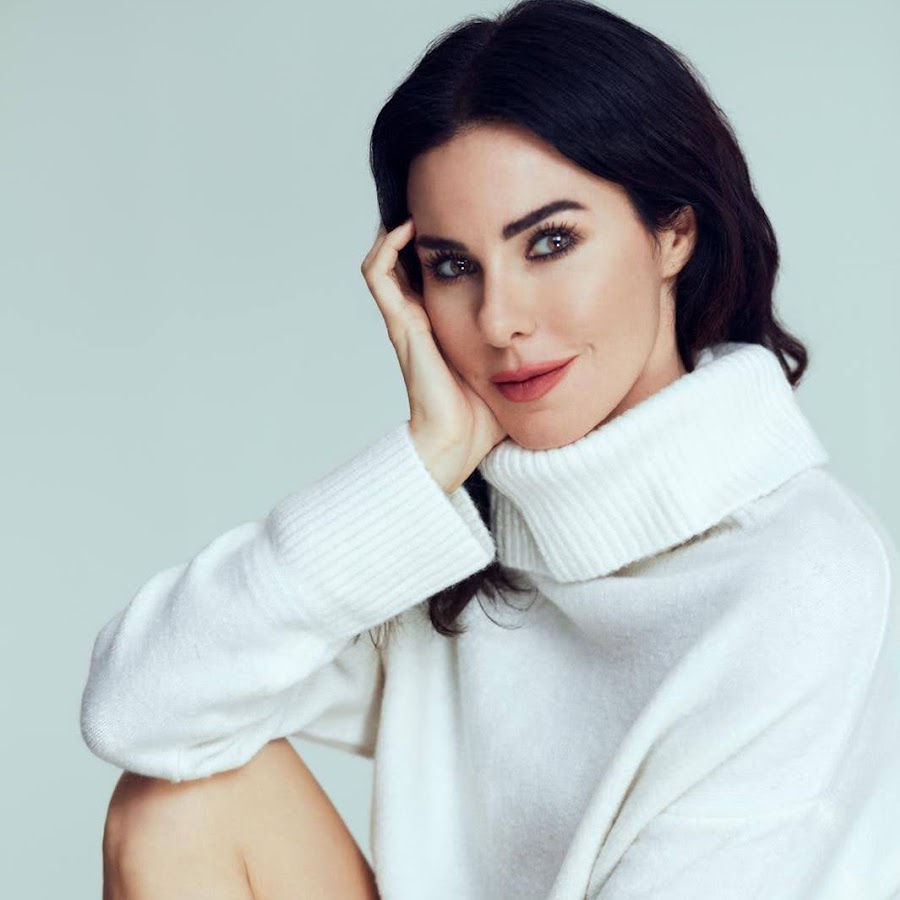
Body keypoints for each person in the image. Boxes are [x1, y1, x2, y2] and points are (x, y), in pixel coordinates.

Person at [81, 0, 900, 897]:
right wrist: (427, 459)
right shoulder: (460, 534)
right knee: (180, 800)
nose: (499, 321)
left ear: (673, 233)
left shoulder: (802, 577)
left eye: (550, 242)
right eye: (453, 266)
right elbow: (140, 711)